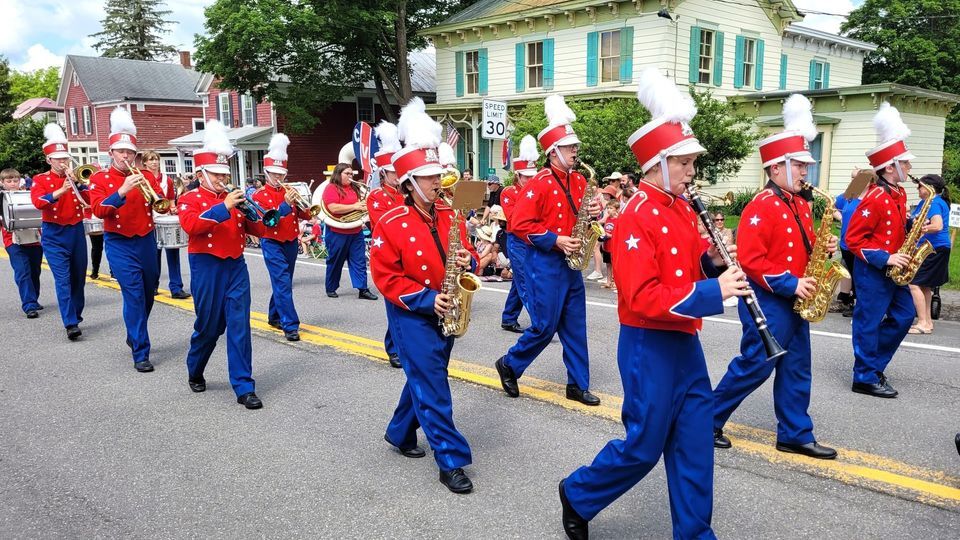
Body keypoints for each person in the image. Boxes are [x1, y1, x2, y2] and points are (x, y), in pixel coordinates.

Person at [559, 67, 749, 540]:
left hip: (685, 343)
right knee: (644, 447)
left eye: (691, 163)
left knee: (693, 444)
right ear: (659, 163)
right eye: (684, 163)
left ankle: (694, 534)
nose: (691, 171)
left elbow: (685, 273)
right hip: (648, 345)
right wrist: (715, 291)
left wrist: (710, 260)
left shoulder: (683, 208)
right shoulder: (635, 217)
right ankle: (578, 493)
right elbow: (642, 298)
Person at [712, 94, 838, 459]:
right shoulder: (761, 206)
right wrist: (790, 283)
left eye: (805, 165)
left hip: (797, 297)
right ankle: (708, 419)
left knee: (798, 366)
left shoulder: (799, 203)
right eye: (799, 165)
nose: (805, 172)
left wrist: (823, 247)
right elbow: (751, 262)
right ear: (777, 167)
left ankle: (796, 433)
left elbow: (801, 245)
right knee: (755, 365)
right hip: (768, 299)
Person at [371, 98, 479, 493]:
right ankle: (450, 459)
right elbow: (385, 277)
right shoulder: (391, 221)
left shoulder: (451, 214)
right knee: (433, 383)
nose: (440, 181)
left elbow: (466, 257)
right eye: (430, 176)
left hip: (447, 307)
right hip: (412, 313)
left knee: (424, 376)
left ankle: (400, 432)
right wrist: (424, 298)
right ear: (410, 182)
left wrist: (470, 261)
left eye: (439, 174)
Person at [494, 94, 602, 406]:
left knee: (575, 327)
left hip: (571, 264)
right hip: (545, 264)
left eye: (576, 147)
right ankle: (510, 364)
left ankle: (577, 385)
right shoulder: (538, 183)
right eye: (570, 148)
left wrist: (595, 211)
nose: (575, 152)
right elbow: (519, 225)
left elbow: (584, 212)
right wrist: (556, 239)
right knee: (543, 327)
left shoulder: (580, 180)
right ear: (553, 152)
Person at [178, 119, 269, 409]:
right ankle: (196, 366)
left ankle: (244, 386)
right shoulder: (189, 198)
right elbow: (192, 227)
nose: (221, 179)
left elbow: (259, 231)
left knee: (240, 325)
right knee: (208, 326)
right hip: (206, 265)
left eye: (224, 174)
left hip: (235, 266)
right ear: (201, 173)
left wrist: (256, 214)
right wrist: (226, 206)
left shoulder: (235, 198)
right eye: (216, 174)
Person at [845, 102, 917, 398]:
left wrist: (914, 226)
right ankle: (864, 375)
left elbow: (894, 227)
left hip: (895, 268)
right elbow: (853, 239)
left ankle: (872, 364)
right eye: (906, 162)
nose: (910, 167)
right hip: (874, 270)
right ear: (890, 166)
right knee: (868, 321)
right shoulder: (874, 197)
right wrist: (886, 257)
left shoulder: (899, 193)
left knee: (904, 315)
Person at [88, 107, 167, 373]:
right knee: (133, 295)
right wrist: (122, 190)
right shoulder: (99, 179)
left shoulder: (145, 175)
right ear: (111, 153)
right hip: (119, 241)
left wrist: (163, 204)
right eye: (121, 152)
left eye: (130, 152)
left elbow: (161, 203)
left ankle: (134, 333)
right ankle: (141, 351)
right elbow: (98, 210)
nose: (126, 156)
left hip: (146, 239)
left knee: (148, 292)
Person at [30, 123, 89, 340]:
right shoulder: (40, 180)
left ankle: (76, 314)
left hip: (75, 231)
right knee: (62, 279)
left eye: (65, 158)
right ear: (49, 160)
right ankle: (70, 322)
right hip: (54, 233)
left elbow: (91, 201)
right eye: (58, 159)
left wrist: (79, 185)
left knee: (78, 278)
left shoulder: (75, 179)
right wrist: (59, 191)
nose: (63, 162)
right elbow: (38, 202)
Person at [252, 134, 309, 342]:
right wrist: (285, 204)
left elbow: (304, 214)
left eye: (281, 174)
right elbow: (269, 221)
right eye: (275, 174)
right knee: (283, 282)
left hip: (291, 241)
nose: (279, 178)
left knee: (284, 281)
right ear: (267, 173)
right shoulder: (259, 195)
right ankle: (290, 325)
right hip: (271, 241)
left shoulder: (290, 190)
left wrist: (306, 206)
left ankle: (274, 315)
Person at [322, 162, 378, 301]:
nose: (350, 176)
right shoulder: (331, 188)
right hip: (337, 231)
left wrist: (364, 207)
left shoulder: (355, 188)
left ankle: (363, 289)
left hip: (355, 230)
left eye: (351, 173)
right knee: (335, 261)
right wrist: (355, 206)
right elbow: (333, 208)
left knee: (359, 261)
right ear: (338, 174)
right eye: (347, 173)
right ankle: (331, 287)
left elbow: (363, 205)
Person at [142, 150, 190, 299]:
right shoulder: (141, 178)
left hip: (164, 217)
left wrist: (173, 209)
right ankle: (153, 285)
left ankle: (176, 287)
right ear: (145, 162)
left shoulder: (167, 180)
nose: (154, 162)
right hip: (149, 218)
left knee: (173, 252)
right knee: (153, 254)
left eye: (156, 159)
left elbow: (170, 200)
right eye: (150, 160)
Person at [500, 139, 537, 334]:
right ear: (517, 175)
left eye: (532, 177)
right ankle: (540, 323)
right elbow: (515, 220)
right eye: (526, 177)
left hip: (532, 240)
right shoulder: (509, 192)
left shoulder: (537, 191)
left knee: (519, 281)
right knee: (526, 281)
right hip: (517, 240)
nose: (530, 181)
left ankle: (508, 318)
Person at [908, 174, 952, 334]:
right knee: (924, 286)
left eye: (920, 186)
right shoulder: (927, 202)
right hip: (936, 247)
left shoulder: (933, 202)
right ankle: (927, 322)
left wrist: (921, 229)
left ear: (929, 189)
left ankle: (922, 323)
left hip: (934, 247)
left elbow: (938, 225)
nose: (917, 189)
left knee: (913, 284)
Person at [1, 168, 43, 318]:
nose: (12, 184)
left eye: (15, 180)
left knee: (34, 272)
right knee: (22, 272)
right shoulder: (2, 199)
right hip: (13, 242)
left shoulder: (29, 195)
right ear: (2, 182)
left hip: (34, 239)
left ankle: (34, 298)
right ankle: (29, 304)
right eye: (9, 181)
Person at [835, 171, 868, 317]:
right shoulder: (850, 194)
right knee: (850, 271)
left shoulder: (869, 197)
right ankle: (848, 301)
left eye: (856, 179)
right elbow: (833, 207)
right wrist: (841, 217)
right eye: (852, 178)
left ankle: (858, 304)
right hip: (846, 243)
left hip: (860, 243)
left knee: (859, 274)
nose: (853, 181)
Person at [598, 200, 619, 291]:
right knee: (608, 265)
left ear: (616, 210)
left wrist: (608, 235)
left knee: (615, 265)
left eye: (611, 208)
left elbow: (618, 234)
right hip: (606, 245)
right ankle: (609, 281)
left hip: (613, 247)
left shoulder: (618, 220)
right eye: (607, 208)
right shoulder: (607, 219)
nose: (608, 210)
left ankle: (616, 282)